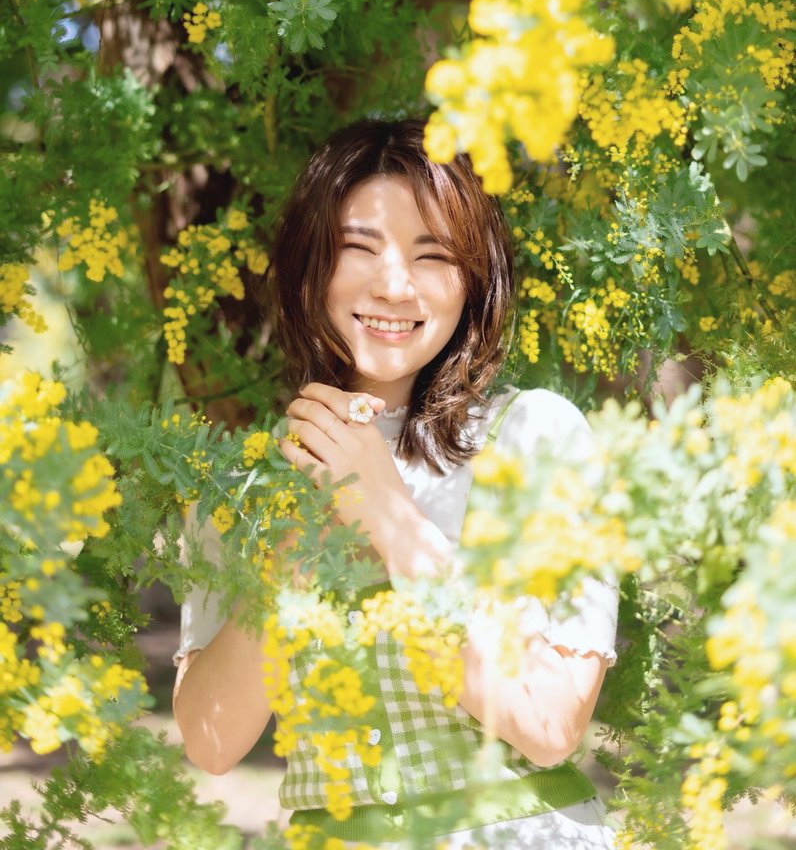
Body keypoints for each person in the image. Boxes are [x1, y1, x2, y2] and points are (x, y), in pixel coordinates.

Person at [173, 117, 618, 848]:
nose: (393, 284)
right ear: (310, 264)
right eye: (359, 247)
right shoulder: (242, 480)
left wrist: (388, 513)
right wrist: (291, 548)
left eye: (432, 254)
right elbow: (210, 741)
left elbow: (550, 724)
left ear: (474, 280)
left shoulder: (537, 437)